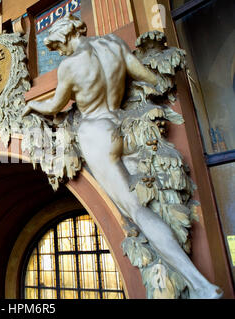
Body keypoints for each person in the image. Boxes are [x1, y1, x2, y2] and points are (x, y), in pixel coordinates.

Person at [22, 13, 222, 299]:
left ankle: (200, 284)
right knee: (147, 203)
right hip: (123, 128)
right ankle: (186, 274)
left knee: (137, 212)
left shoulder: (71, 65)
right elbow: (149, 78)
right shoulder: (114, 44)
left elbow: (55, 105)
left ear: (67, 36)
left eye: (58, 46)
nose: (60, 53)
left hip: (96, 134)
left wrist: (32, 107)